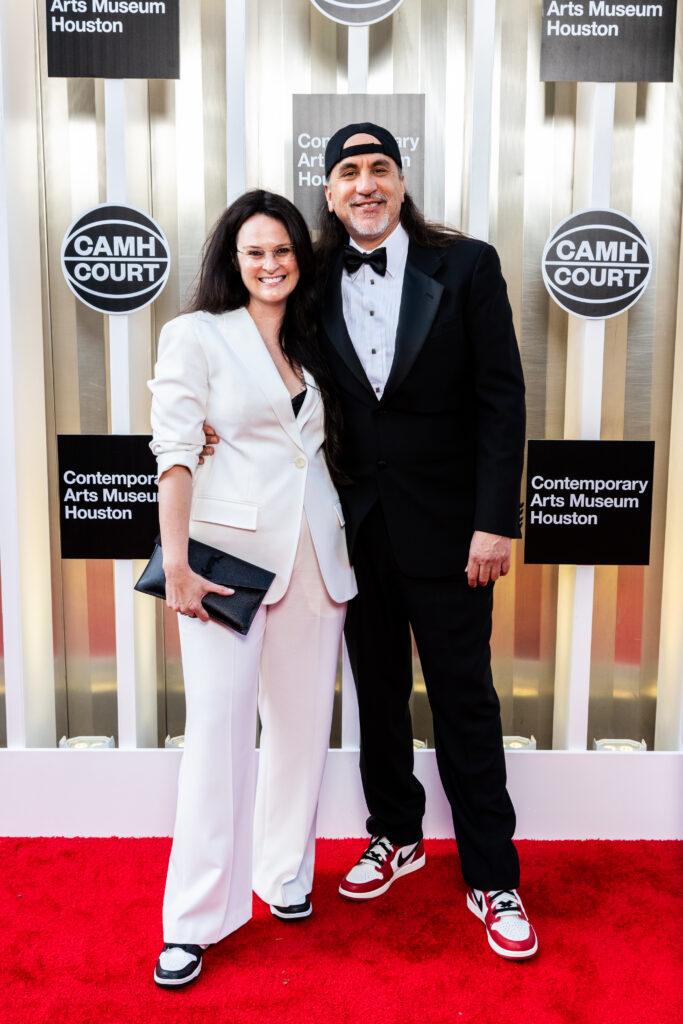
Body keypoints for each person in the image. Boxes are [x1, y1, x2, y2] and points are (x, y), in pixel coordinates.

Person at [316, 122, 536, 960]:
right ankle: (395, 834)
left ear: (401, 182)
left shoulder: (467, 265)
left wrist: (494, 520)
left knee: (463, 701)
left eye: (379, 167)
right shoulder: (308, 278)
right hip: (355, 530)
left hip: (453, 533)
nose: (365, 183)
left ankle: (493, 876)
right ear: (330, 192)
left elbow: (500, 399)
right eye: (348, 171)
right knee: (375, 693)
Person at [149, 189, 356, 989]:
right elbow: (174, 450)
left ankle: (284, 875)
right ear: (232, 261)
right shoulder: (196, 334)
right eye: (255, 252)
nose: (271, 264)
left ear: (300, 259)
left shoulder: (316, 340)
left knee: (300, 733)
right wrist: (176, 565)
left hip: (315, 557)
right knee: (218, 735)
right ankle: (193, 921)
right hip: (222, 563)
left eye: (282, 251)